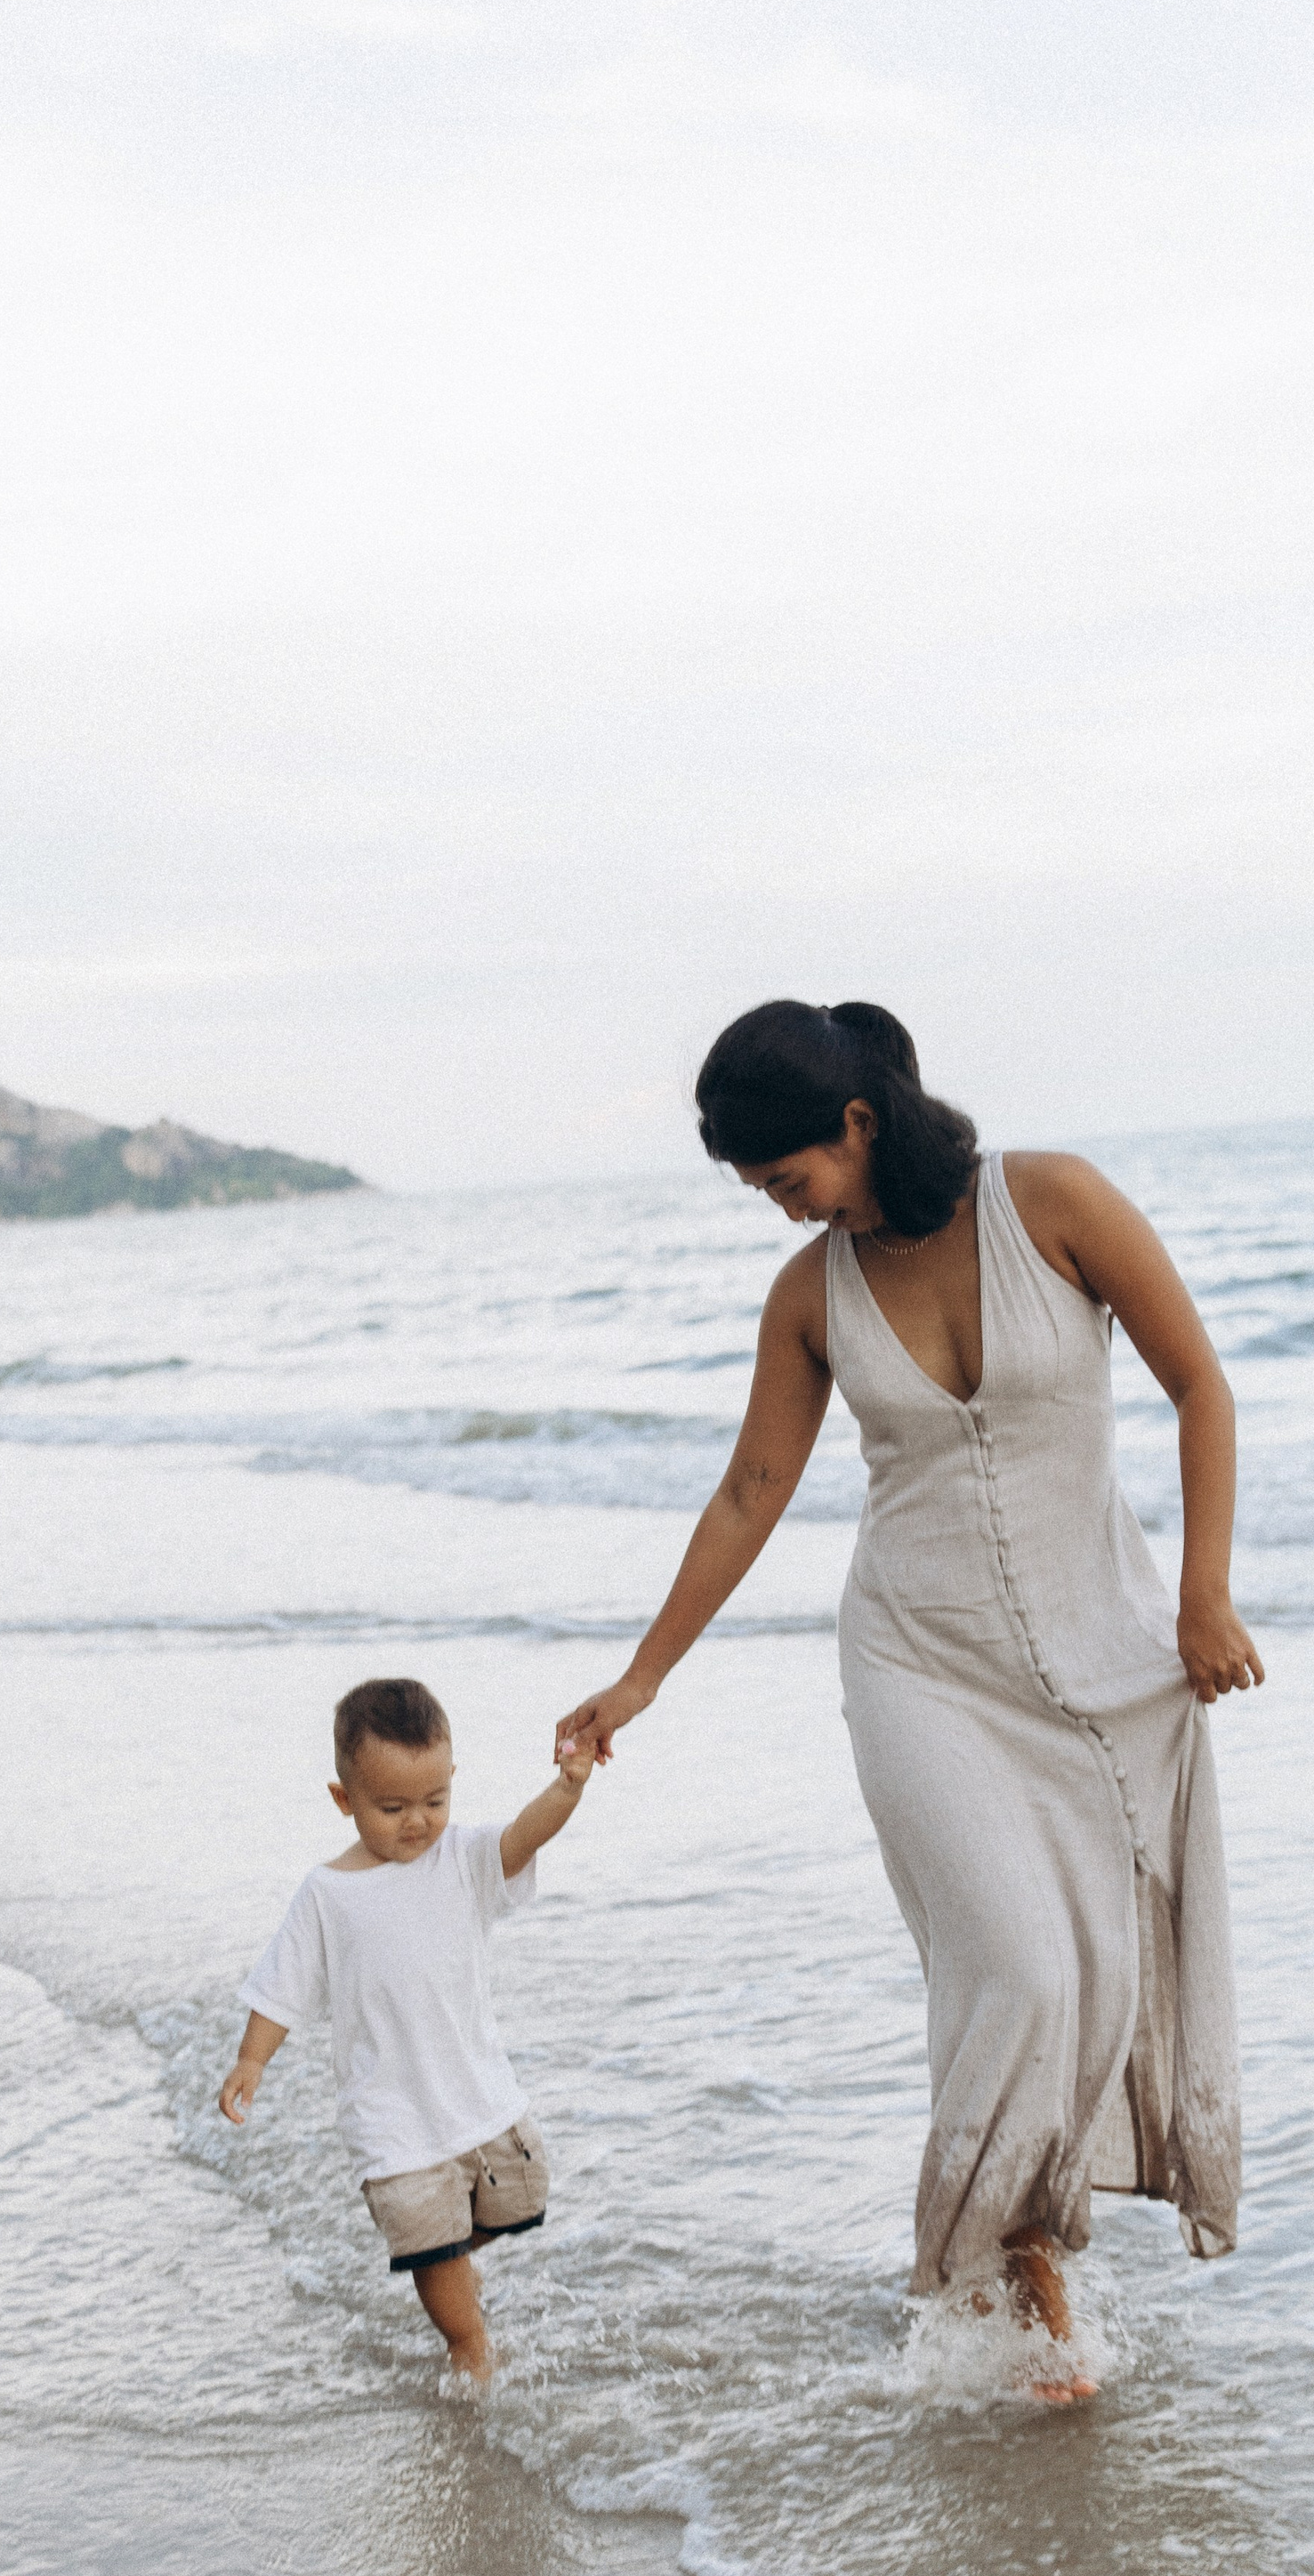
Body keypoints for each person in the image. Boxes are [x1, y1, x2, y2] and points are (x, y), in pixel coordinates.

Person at [557, 1002, 1261, 2402]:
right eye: (761, 1191)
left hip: (1099, 1651)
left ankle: (1020, 2260)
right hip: (916, 1663)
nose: (780, 1207)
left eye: (787, 1176)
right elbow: (751, 1491)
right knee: (1019, 1967)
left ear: (858, 1122)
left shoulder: (1052, 1202)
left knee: (1092, 1974)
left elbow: (1201, 1385)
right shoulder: (810, 1298)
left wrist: (1204, 1593)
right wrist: (643, 1673)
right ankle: (991, 2272)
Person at [218, 1676, 593, 2387]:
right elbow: (279, 1988)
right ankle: (469, 2348)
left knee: (521, 2197)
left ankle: (444, 2258)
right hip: (391, 2120)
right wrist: (251, 2061)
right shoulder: (328, 1894)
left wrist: (566, 1789)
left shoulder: (464, 1860)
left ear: (452, 1781)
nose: (417, 1822)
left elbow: (524, 1835)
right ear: (345, 1799)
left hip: (477, 2095)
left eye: (435, 1801)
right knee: (434, 2247)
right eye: (392, 1808)